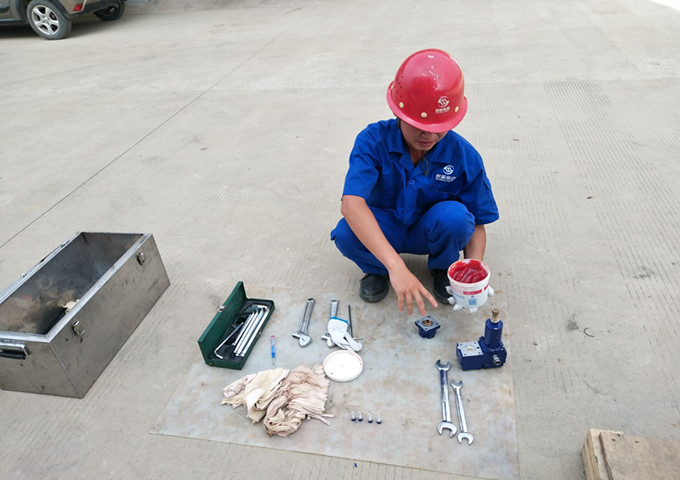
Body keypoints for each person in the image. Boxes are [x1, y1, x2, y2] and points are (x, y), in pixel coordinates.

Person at [330, 48, 499, 317]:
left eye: (438, 128)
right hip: (385, 227)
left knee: (457, 218)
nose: (429, 136)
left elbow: (477, 222)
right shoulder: (372, 141)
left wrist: (472, 272)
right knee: (346, 233)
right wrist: (396, 268)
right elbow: (351, 205)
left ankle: (442, 269)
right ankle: (378, 269)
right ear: (399, 113)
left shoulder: (464, 156)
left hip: (428, 230)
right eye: (419, 126)